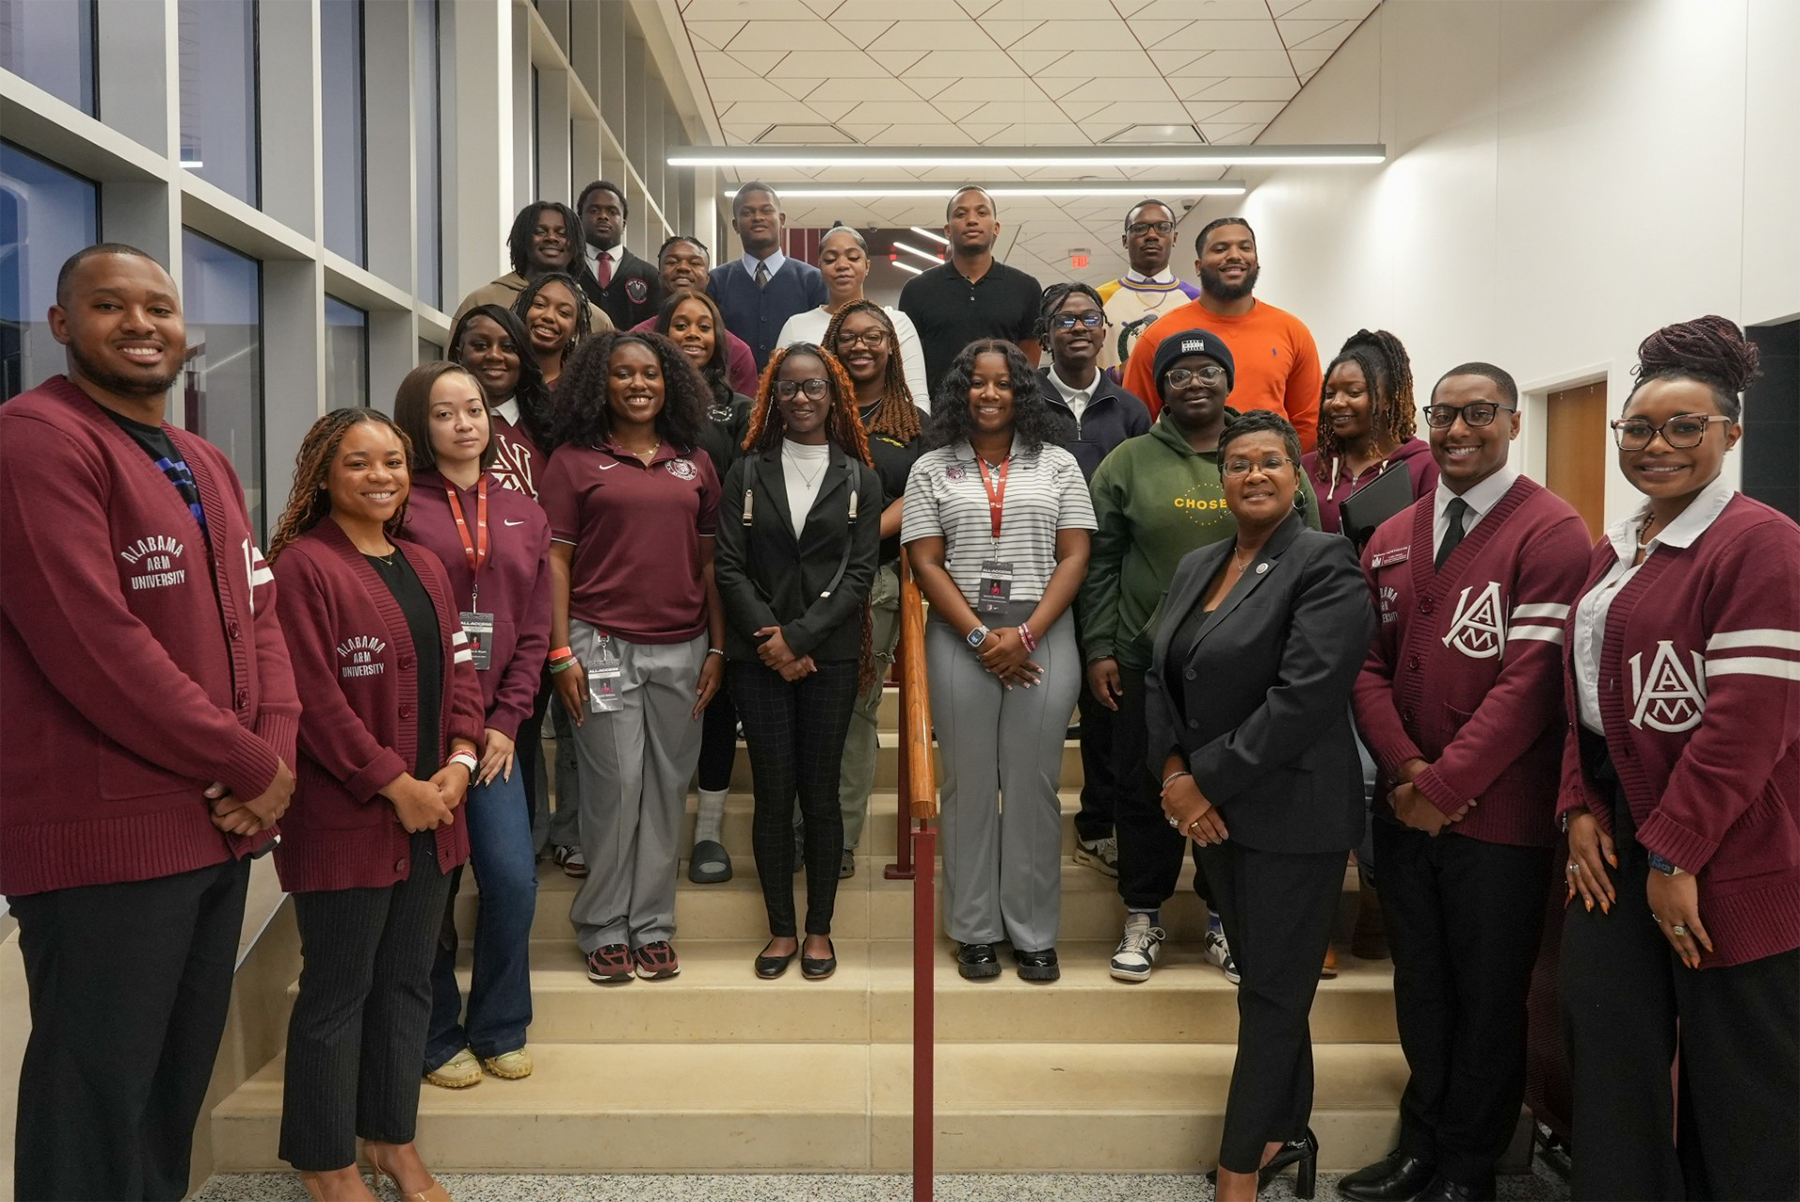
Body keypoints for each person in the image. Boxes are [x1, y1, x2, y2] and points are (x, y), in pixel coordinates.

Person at [0, 244, 300, 1202]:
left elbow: (260, 614)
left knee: (172, 1093)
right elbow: (94, 645)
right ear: (59, 325)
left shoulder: (200, 459)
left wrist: (275, 754)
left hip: (213, 830)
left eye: (160, 308)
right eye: (110, 306)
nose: (140, 325)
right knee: (94, 1101)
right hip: (105, 835)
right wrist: (248, 759)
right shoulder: (36, 441)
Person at [1560, 316, 1800, 1202]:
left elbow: (1749, 724)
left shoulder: (1759, 542)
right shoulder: (1616, 549)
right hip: (1614, 842)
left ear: (1731, 434)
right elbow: (1581, 699)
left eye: (1684, 428)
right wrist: (1577, 809)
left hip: (1724, 850)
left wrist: (1674, 853)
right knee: (1612, 1066)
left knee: (1743, 1091)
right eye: (1639, 429)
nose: (1656, 446)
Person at [1343, 362, 1590, 1202]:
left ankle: (1469, 1166)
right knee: (1422, 984)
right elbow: (1368, 669)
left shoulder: (1551, 532)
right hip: (1407, 810)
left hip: (1499, 819)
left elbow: (1531, 682)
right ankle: (1421, 1143)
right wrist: (1410, 773)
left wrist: (1446, 786)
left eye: (1478, 413)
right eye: (1441, 414)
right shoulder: (1392, 534)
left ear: (1514, 423)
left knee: (1488, 997)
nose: (1456, 430)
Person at [1149, 408, 1372, 1202]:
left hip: (1291, 815)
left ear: (1296, 475)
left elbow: (1305, 695)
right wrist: (1174, 775)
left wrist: (1201, 780)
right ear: (1221, 480)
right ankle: (1289, 1128)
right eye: (1238, 463)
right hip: (1214, 816)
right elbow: (1160, 677)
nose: (1253, 475)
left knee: (1275, 991)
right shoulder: (1198, 564)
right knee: (1267, 983)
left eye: (1271, 462)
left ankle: (1238, 1167)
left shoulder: (1325, 561)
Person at [266, 407, 485, 1202]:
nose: (381, 477)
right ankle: (326, 1163)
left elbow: (464, 677)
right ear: (324, 475)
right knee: (338, 989)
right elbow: (313, 703)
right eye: (359, 463)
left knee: (408, 984)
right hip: (349, 821)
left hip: (436, 814)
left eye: (393, 461)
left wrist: (458, 766)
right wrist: (395, 785)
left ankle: (391, 1141)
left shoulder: (425, 564)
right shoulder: (301, 568)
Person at [1082, 330, 1321, 985]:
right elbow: (1099, 562)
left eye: (1208, 371)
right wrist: (1100, 647)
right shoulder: (1128, 462)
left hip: (1245, 666)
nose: (1195, 382)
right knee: (1142, 788)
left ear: (1227, 380)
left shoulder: (1265, 454)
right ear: (1160, 385)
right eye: (1179, 372)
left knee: (1233, 787)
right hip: (1144, 659)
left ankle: (1225, 921)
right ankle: (1143, 912)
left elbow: (1307, 553)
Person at [903, 339, 1095, 982]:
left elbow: (1074, 557)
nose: (990, 394)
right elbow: (926, 562)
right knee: (968, 786)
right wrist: (985, 638)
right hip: (961, 636)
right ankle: (975, 929)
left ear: (1022, 392)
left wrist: (1028, 635)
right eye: (977, 384)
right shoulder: (931, 466)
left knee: (1035, 785)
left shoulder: (1059, 464)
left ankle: (1035, 931)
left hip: (1044, 632)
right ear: (961, 392)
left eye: (1003, 383)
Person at [541, 330, 726, 986]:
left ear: (669, 380)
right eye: (624, 374)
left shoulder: (695, 462)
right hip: (601, 644)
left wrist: (720, 646)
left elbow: (710, 563)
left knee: (666, 788)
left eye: (650, 373)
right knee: (616, 787)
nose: (639, 384)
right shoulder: (571, 461)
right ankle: (601, 924)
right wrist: (560, 650)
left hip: (684, 645)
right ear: (601, 383)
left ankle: (652, 924)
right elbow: (555, 560)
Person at [392, 364, 551, 1092]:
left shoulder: (523, 508)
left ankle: (500, 1025)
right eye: (445, 413)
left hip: (495, 737)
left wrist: (507, 720)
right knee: (431, 889)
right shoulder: (400, 506)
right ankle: (434, 1032)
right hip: (420, 733)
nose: (465, 423)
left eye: (476, 409)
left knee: (512, 880)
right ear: (418, 426)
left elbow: (532, 628)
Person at [715, 343, 883, 979]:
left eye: (814, 388)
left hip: (831, 658)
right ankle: (780, 931)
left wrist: (801, 639)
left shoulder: (860, 478)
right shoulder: (747, 470)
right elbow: (728, 565)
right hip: (758, 658)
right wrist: (772, 639)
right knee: (772, 795)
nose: (802, 398)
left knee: (820, 796)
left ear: (833, 395)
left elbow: (861, 571)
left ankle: (819, 930)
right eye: (789, 388)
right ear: (772, 398)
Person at [1034, 282, 1151, 879]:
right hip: (1035, 575)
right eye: (1064, 319)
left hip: (1109, 578)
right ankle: (1026, 820)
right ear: (1045, 334)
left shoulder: (1130, 409)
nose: (1078, 327)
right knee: (1037, 703)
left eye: (1089, 318)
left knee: (1106, 708)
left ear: (1105, 330)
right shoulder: (1024, 399)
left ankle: (1099, 823)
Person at [651, 287, 752, 884]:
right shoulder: (636, 399)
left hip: (717, 573)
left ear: (719, 339)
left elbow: (742, 499)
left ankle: (709, 829)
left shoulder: (737, 410)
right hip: (646, 581)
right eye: (680, 325)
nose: (692, 334)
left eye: (704, 326)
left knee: (716, 704)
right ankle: (650, 830)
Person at [825, 301, 925, 878]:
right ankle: (797, 825)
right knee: (805, 709)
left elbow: (919, 497)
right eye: (849, 337)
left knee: (857, 712)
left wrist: (851, 537)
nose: (861, 346)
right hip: (799, 582)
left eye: (875, 337)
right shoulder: (808, 404)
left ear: (892, 347)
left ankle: (839, 834)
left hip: (878, 584)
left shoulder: (913, 422)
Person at [1121, 217, 1322, 450]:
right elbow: (1134, 422)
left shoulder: (1292, 331)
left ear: (1256, 262)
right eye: (1220, 249)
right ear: (1198, 266)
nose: (1235, 255)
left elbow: (1309, 422)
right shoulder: (1160, 335)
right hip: (1186, 475)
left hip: (1267, 476)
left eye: (1245, 248)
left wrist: (1284, 469)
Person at [898, 185, 1043, 399]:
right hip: (939, 419)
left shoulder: (1026, 287)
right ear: (947, 230)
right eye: (961, 214)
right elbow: (910, 363)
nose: (972, 220)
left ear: (996, 227)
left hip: (1002, 413)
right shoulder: (917, 289)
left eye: (982, 212)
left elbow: (1028, 361)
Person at [776, 224, 929, 407]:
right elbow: (781, 397)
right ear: (820, 268)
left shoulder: (897, 323)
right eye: (831, 259)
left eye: (853, 257)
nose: (842, 265)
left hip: (889, 432)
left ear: (867, 266)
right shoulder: (796, 326)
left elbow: (916, 398)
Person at [1301, 329, 1438, 535]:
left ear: (1388, 399)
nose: (1337, 402)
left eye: (1353, 392)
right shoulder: (1309, 467)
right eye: (1330, 394)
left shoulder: (1424, 466)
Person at [707, 181, 827, 372]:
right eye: (747, 212)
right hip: (731, 394)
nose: (758, 217)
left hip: (796, 394)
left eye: (766, 210)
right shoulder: (715, 282)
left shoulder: (813, 281)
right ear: (735, 225)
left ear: (781, 219)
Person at [451, 200, 611, 334]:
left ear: (576, 245)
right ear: (523, 239)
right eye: (540, 231)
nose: (551, 238)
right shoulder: (481, 302)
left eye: (562, 233)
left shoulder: (597, 321)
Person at [449, 305, 555, 501]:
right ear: (459, 355)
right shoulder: (439, 427)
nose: (495, 356)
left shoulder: (551, 426)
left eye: (508, 348)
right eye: (480, 346)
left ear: (523, 358)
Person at [639, 234, 759, 396]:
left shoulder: (737, 352)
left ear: (708, 279)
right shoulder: (637, 340)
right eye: (672, 262)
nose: (683, 268)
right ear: (659, 276)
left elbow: (746, 414)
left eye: (695, 263)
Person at [1095, 199, 1201, 380]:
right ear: (1125, 240)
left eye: (1162, 227)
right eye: (1139, 228)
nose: (1152, 235)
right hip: (1115, 405)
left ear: (1174, 237)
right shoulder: (1097, 299)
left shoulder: (1197, 300)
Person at [575, 180, 666, 329]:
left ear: (623, 224)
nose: (603, 216)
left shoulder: (649, 275)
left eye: (612, 212)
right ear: (580, 219)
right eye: (594, 211)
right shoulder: (567, 269)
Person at [511, 270, 591, 390]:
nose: (548, 316)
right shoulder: (503, 378)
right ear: (524, 311)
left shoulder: (581, 389)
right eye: (540, 305)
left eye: (563, 313)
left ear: (575, 330)